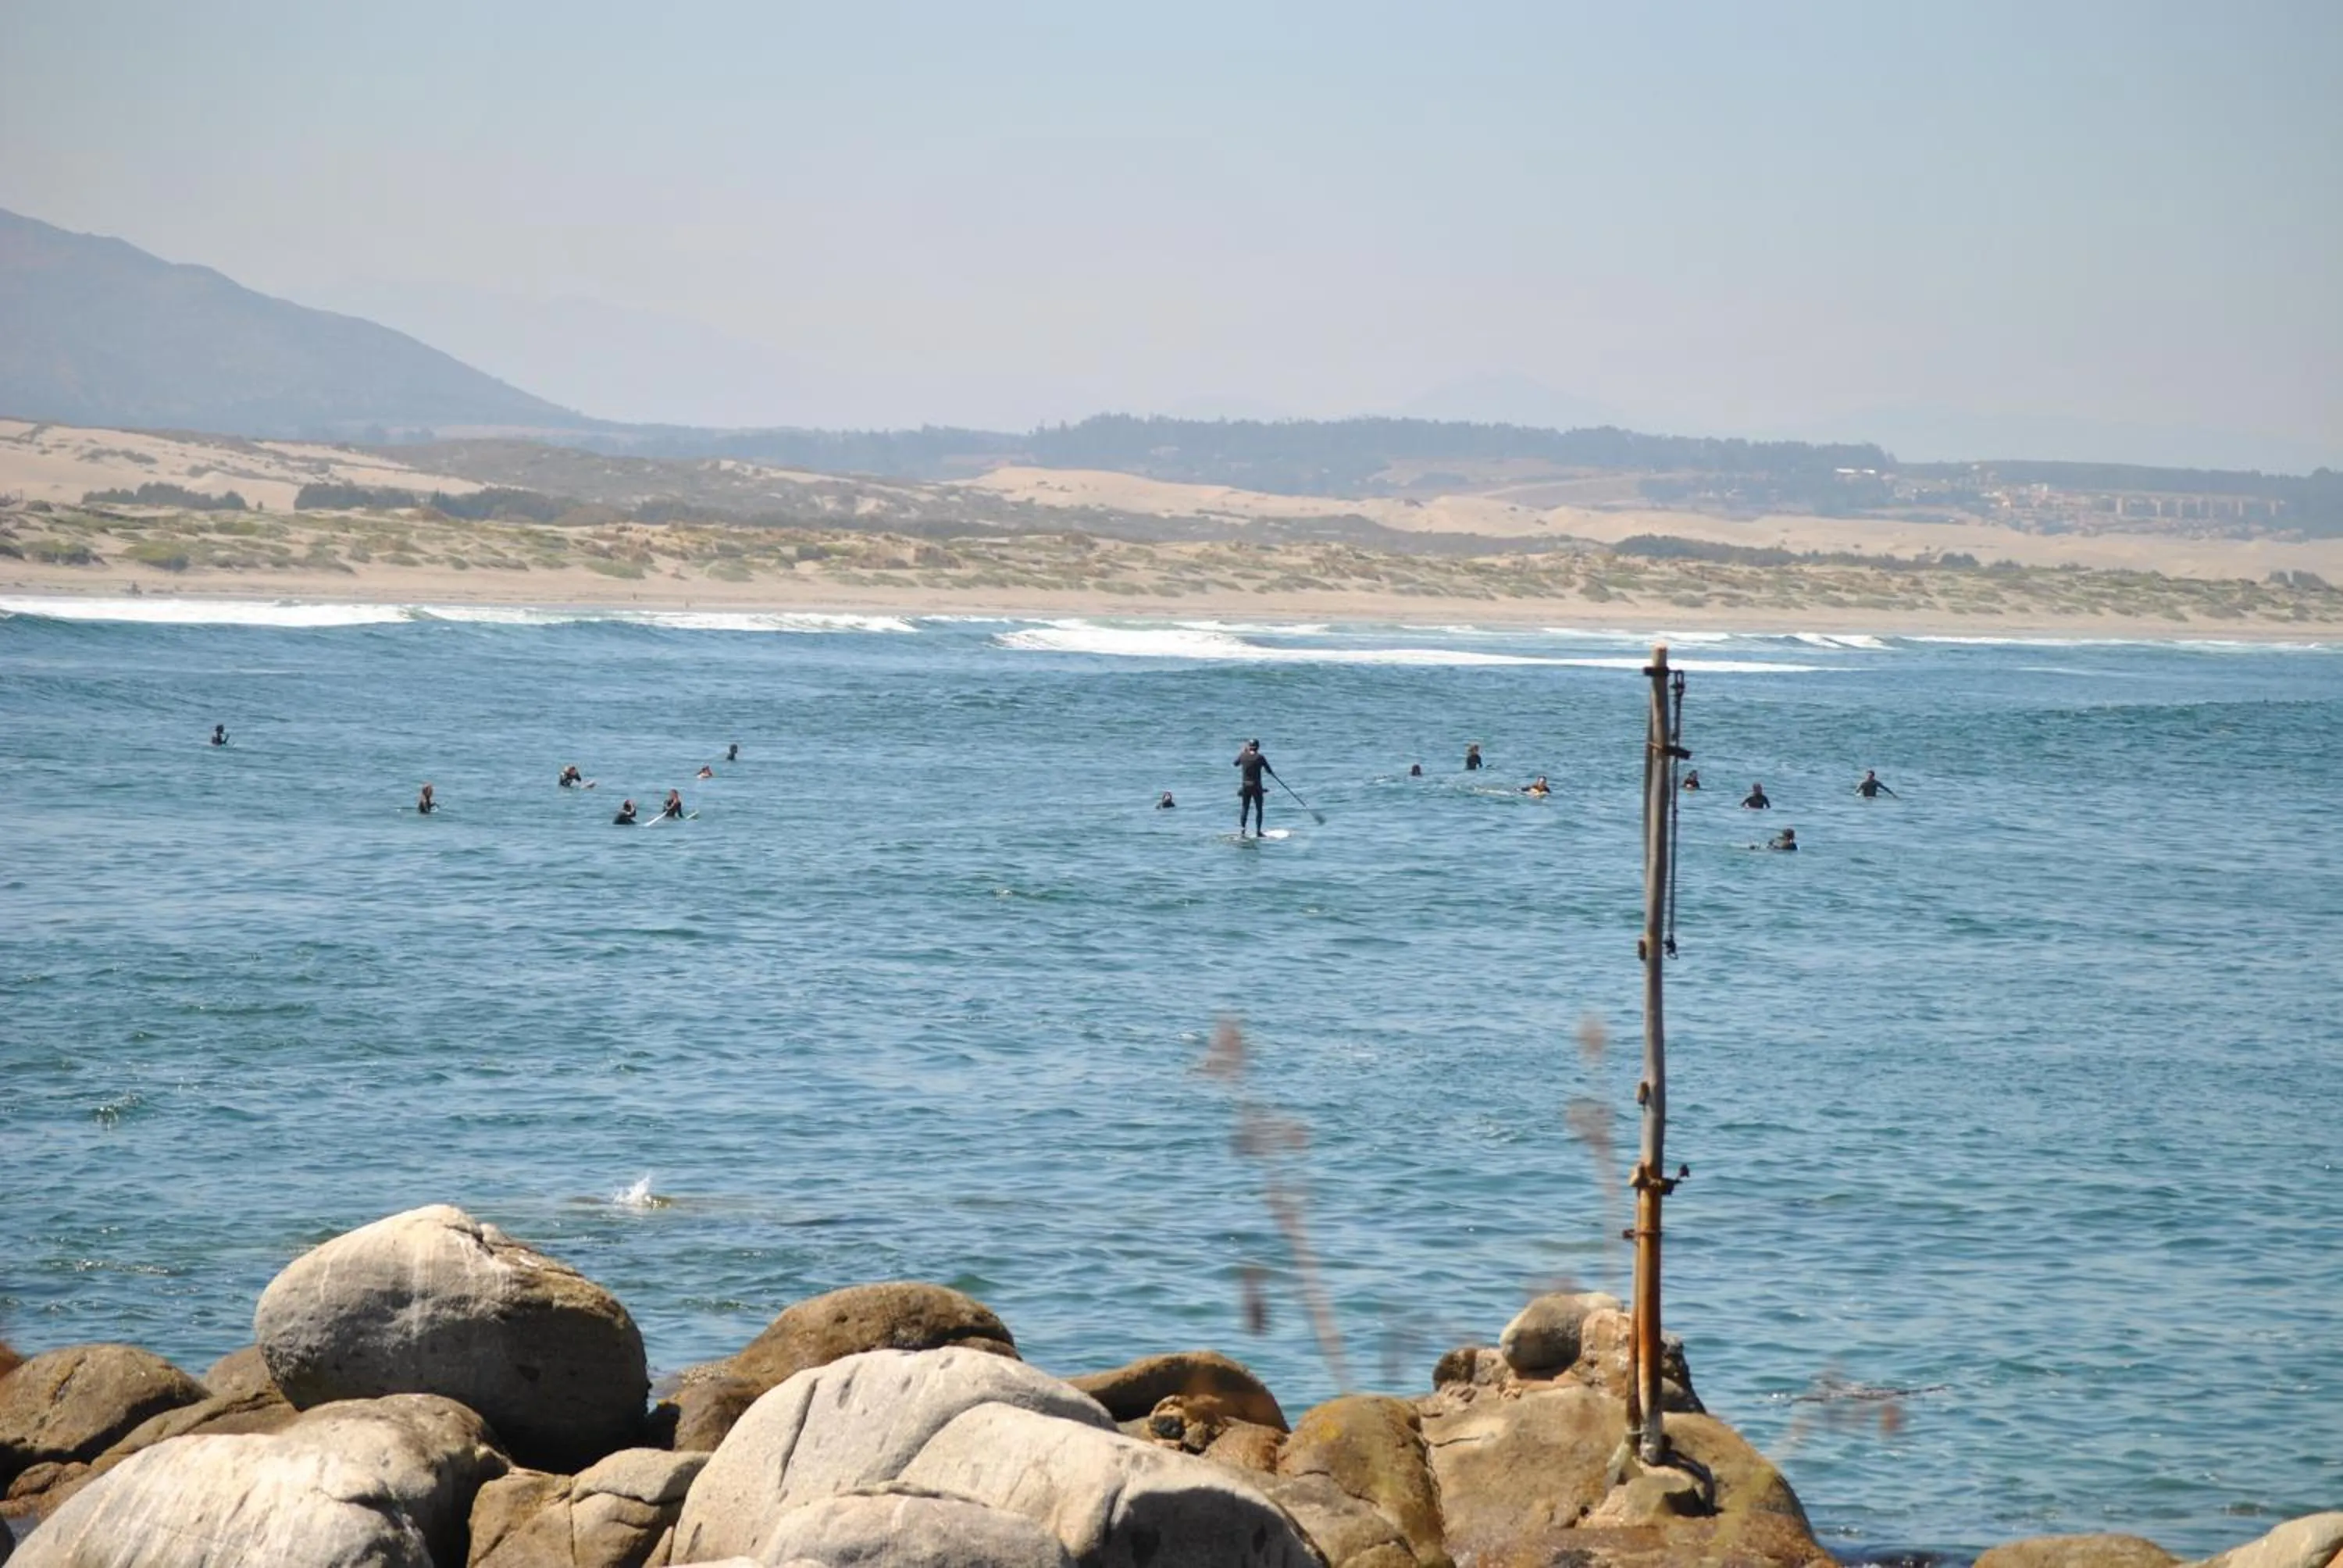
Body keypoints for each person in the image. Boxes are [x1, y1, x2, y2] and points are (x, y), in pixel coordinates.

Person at [1233, 739, 1273, 838]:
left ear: (1248, 747)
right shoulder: (1260, 757)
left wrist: (1243, 752)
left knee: (1245, 808)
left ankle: (1243, 832)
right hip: (1256, 786)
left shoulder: (1243, 756)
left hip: (1245, 786)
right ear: (1258, 747)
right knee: (1259, 809)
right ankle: (1258, 832)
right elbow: (1269, 771)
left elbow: (1235, 764)